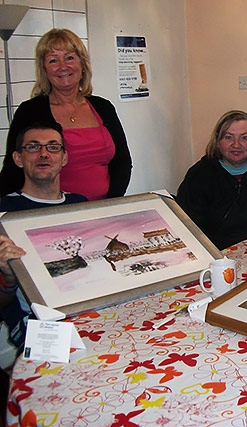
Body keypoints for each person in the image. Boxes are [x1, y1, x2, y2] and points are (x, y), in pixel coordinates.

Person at [0, 28, 132, 201]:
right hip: (52, 211)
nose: (63, 67)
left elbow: (122, 163)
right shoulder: (30, 111)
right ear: (44, 70)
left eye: (69, 58)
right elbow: (13, 169)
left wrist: (110, 203)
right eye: (53, 61)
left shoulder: (103, 107)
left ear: (82, 63)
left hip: (103, 209)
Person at [0, 122, 88, 370]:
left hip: (86, 310)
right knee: (57, 376)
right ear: (18, 158)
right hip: (36, 323)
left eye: (52, 147)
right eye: (33, 147)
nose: (43, 154)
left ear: (64, 158)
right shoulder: (4, 214)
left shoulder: (80, 204)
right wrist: (8, 279)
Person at [176, 110, 247, 250]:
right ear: (217, 141)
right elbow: (188, 228)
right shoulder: (199, 176)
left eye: (245, 138)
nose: (236, 145)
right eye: (228, 137)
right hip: (218, 252)